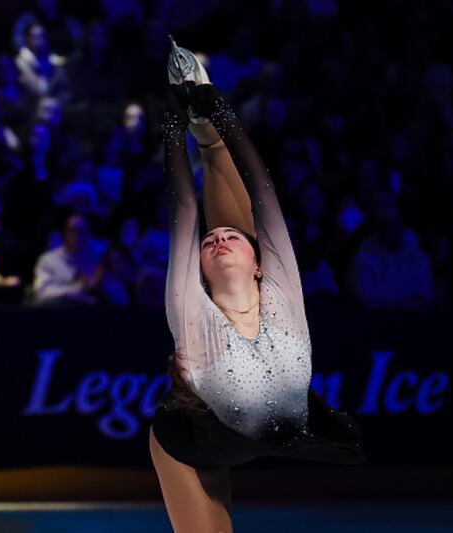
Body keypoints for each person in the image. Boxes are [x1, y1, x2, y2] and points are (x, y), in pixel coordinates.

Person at [149, 41, 365, 532]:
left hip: (266, 422)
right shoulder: (191, 308)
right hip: (190, 439)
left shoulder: (281, 294)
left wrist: (219, 112)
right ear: (198, 274)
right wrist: (171, 123)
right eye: (210, 243)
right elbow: (185, 210)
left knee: (248, 225)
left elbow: (264, 196)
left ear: (263, 266)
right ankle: (207, 137)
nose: (219, 239)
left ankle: (211, 139)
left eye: (229, 236)